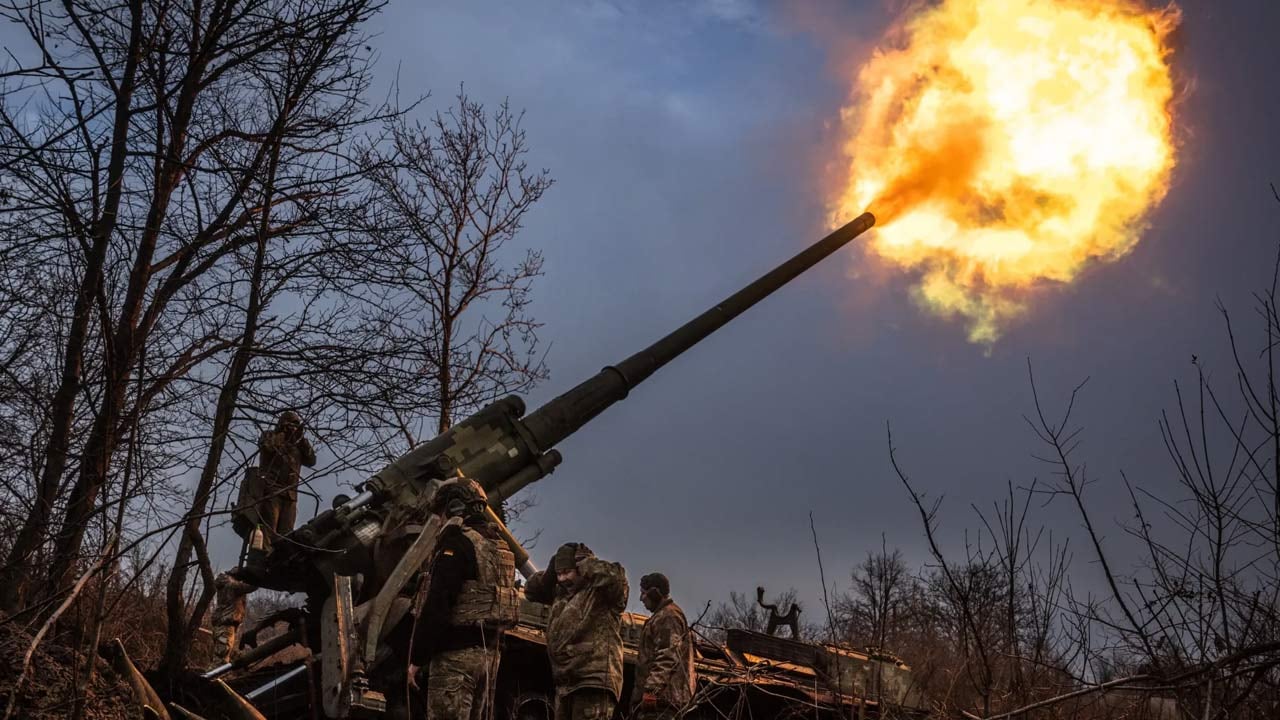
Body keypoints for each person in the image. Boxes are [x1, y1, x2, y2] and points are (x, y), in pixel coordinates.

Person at [410, 478, 520, 720]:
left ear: (455, 508)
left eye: (441, 514)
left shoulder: (457, 541)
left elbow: (439, 603)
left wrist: (417, 659)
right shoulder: (502, 548)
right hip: (490, 658)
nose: (439, 521)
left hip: (455, 659)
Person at [524, 543, 628, 720]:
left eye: (567, 572)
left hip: (593, 681)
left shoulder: (600, 593)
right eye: (559, 573)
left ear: (580, 570)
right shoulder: (560, 593)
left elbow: (617, 579)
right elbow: (531, 591)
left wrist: (587, 563)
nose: (563, 578)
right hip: (566, 683)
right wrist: (549, 575)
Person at [631, 573, 696, 719]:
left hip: (662, 702)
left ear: (655, 593)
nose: (641, 598)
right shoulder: (662, 616)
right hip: (660, 701)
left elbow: (667, 656)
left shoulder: (668, 617)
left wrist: (651, 691)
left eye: (643, 593)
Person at [255, 410, 316, 536]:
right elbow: (268, 447)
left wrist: (301, 438)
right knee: (268, 529)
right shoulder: (270, 435)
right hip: (272, 490)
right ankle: (265, 554)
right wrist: (282, 432)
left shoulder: (298, 445)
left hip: (290, 495)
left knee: (286, 533)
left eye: (296, 424)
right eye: (291, 423)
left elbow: (311, 461)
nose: (293, 427)